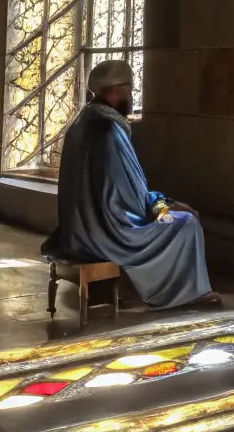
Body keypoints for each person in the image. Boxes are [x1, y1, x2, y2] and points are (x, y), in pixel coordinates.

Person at [42, 60, 219, 308]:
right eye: (129, 89)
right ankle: (185, 294)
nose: (131, 96)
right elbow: (130, 201)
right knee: (186, 223)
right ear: (114, 90)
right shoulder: (109, 131)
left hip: (77, 232)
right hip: (107, 233)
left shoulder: (82, 123)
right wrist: (164, 205)